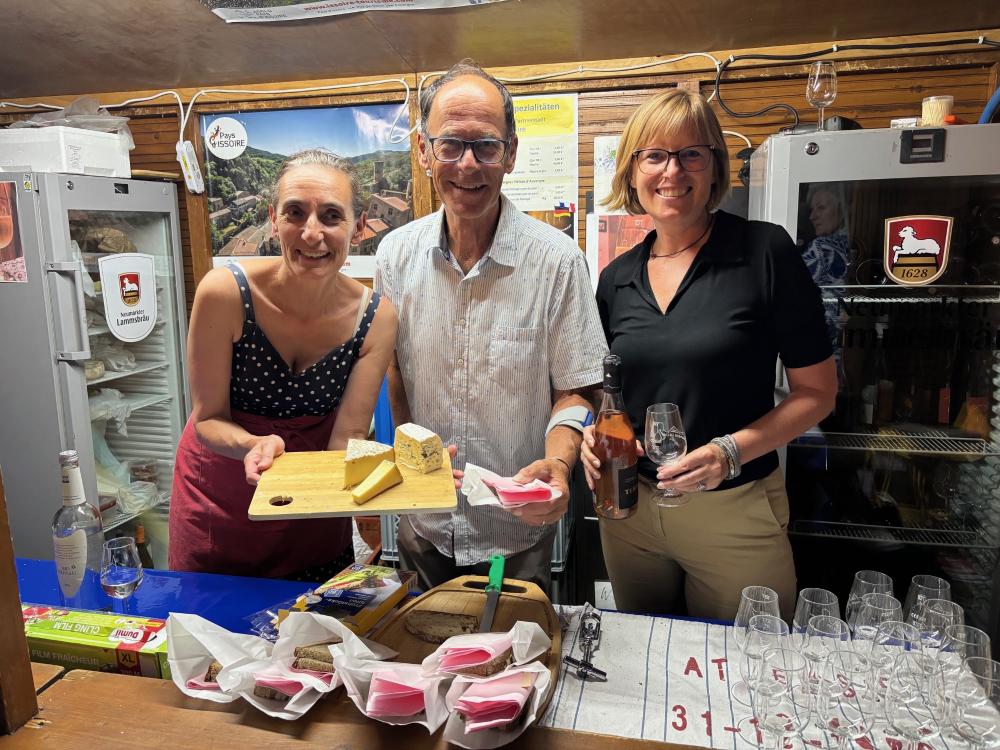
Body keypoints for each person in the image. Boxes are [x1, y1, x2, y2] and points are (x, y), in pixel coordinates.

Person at [580, 90, 836, 621]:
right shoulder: (615, 279)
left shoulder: (765, 252)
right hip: (631, 513)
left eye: (690, 153)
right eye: (654, 155)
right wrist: (590, 434)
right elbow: (603, 393)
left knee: (747, 674)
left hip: (733, 510)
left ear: (714, 166)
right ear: (632, 172)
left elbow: (817, 393)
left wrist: (729, 452)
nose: (672, 170)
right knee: (648, 668)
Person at [375, 60, 607, 594]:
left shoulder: (557, 262)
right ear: (423, 151)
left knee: (513, 667)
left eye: (487, 146)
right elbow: (396, 372)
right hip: (424, 525)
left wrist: (557, 461)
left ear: (512, 153)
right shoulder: (396, 255)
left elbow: (576, 389)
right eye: (451, 145)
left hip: (516, 533)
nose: (468, 165)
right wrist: (412, 459)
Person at [169, 148, 397, 580]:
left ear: (359, 226)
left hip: (310, 504)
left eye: (331, 216)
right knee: (215, 632)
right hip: (221, 502)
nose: (312, 234)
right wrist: (251, 445)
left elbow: (345, 438)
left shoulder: (375, 318)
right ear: (274, 220)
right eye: (296, 213)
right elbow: (208, 419)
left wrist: (399, 467)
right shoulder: (225, 294)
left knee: (314, 637)